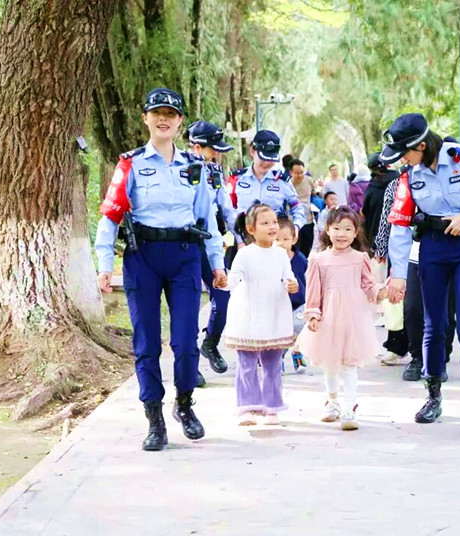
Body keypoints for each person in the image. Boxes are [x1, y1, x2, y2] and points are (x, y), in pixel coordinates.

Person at [95, 88, 227, 451]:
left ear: (180, 121)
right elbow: (110, 216)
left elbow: (207, 218)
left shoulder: (194, 166)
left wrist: (217, 264)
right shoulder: (131, 164)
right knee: (147, 342)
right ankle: (154, 417)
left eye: (170, 114)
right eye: (157, 113)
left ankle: (184, 404)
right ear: (146, 119)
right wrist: (104, 265)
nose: (163, 119)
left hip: (185, 256)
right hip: (143, 258)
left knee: (184, 341)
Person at [382, 113, 460, 434]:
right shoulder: (409, 177)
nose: (403, 160)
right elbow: (399, 227)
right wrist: (398, 275)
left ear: (422, 145)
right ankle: (433, 396)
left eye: (405, 153)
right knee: (434, 325)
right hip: (433, 249)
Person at [298, 206, 387, 430]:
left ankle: (349, 408)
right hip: (328, 319)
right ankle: (332, 402)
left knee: (349, 364)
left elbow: (368, 285)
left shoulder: (360, 258)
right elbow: (313, 291)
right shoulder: (319, 260)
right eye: (337, 228)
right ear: (327, 229)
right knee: (330, 363)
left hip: (353, 319)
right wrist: (313, 314)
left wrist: (382, 291)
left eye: (348, 229)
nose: (342, 234)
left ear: (356, 233)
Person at [220, 205, 299, 426]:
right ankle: (247, 407)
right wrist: (223, 282)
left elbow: (289, 276)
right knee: (247, 363)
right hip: (249, 315)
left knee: (273, 364)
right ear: (251, 229)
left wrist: (292, 285)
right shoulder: (245, 254)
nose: (272, 227)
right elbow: (234, 280)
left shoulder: (281, 254)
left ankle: (272, 407)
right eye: (265, 223)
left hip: (274, 313)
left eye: (274, 222)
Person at [374, 167, 455, 379]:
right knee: (412, 309)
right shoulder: (400, 183)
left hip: (448, 254)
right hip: (412, 254)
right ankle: (417, 357)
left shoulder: (449, 178)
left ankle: (439, 360)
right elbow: (389, 219)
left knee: (445, 311)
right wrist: (384, 251)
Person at [187, 120, 236, 376]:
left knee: (223, 298)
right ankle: (190, 364)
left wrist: (244, 233)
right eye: (212, 149)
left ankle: (210, 344)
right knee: (188, 305)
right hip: (185, 245)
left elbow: (226, 208)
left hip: (211, 243)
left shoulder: (215, 171)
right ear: (197, 147)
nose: (216, 154)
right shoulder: (180, 168)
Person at [225, 130, 306, 253]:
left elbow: (297, 207)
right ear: (252, 151)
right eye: (263, 158)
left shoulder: (282, 181)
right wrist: (239, 240)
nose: (267, 163)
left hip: (275, 243)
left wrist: (295, 227)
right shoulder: (237, 179)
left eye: (271, 159)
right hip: (245, 241)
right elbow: (230, 211)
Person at [275, 215, 308, 372]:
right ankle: (278, 358)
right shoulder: (270, 259)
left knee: (299, 328)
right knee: (281, 333)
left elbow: (307, 277)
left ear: (294, 239)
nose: (281, 243)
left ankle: (297, 351)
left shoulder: (300, 259)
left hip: (298, 302)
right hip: (278, 303)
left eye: (285, 239)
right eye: (277, 239)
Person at [362, 152, 397, 250]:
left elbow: (365, 210)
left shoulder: (372, 187)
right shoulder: (400, 179)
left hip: (376, 233)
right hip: (398, 231)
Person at [288, 159, 317, 257]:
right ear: (291, 172)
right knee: (295, 248)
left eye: (302, 172)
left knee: (307, 247)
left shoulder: (309, 181)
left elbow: (314, 193)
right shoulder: (287, 184)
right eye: (297, 173)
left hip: (308, 220)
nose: (300, 175)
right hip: (293, 222)